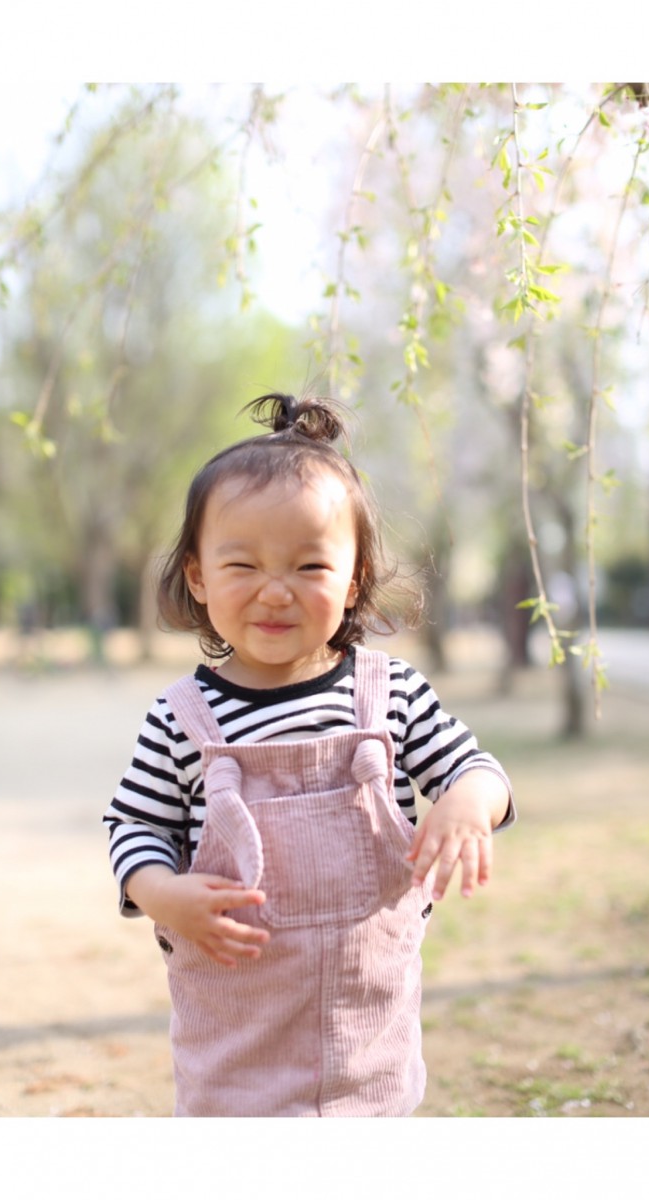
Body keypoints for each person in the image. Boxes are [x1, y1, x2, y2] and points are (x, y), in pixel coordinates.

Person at [102, 393, 515, 1117]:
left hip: (368, 1046)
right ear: (198, 576)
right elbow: (134, 827)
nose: (275, 591)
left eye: (309, 566)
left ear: (353, 581)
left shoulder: (390, 695)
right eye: (242, 564)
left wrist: (467, 804)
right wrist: (161, 893)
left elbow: (478, 772)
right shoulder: (181, 718)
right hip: (235, 1053)